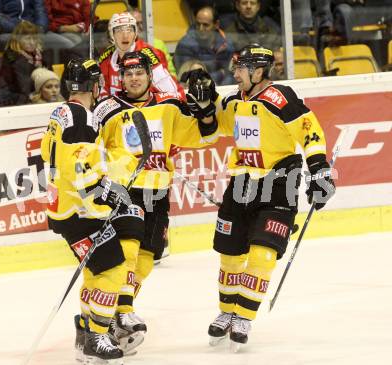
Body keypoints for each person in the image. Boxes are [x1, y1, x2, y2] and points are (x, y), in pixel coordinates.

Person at [186, 44, 335, 350]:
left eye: (240, 69)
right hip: (241, 184)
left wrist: (319, 169)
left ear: (257, 71)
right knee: (229, 255)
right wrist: (204, 108)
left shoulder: (280, 98)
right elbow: (214, 129)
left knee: (263, 254)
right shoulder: (235, 102)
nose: (235, 74)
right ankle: (227, 311)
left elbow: (310, 131)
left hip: (279, 183)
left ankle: (243, 315)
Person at [91, 50, 218, 354]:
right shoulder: (106, 108)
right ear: (120, 77)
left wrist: (206, 111)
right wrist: (99, 181)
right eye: (128, 73)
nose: (133, 78)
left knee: (147, 257)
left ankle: (121, 308)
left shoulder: (169, 106)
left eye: (139, 73)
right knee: (129, 251)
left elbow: (203, 135)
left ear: (150, 75)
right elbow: (90, 146)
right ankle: (119, 310)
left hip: (158, 190)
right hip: (126, 190)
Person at [41, 58, 139, 364]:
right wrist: (105, 194)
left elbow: (48, 151)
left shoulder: (61, 113)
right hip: (80, 212)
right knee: (112, 270)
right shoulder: (83, 117)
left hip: (65, 209)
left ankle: (85, 333)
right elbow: (79, 169)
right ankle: (97, 336)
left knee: (100, 269)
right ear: (93, 86)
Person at [98, 12, 184, 100]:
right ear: (112, 35)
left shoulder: (149, 56)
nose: (125, 36)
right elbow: (102, 94)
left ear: (135, 33)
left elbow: (174, 93)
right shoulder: (106, 59)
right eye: (119, 30)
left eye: (129, 30)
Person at [174, 5, 235, 86]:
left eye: (205, 25)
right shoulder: (185, 45)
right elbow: (189, 79)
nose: (201, 29)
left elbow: (232, 75)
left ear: (216, 24)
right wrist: (221, 73)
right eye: (198, 24)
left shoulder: (226, 43)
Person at [0, 20, 51, 105]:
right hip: (19, 101)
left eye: (34, 38)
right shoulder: (13, 58)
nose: (32, 42)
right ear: (18, 39)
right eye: (27, 39)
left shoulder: (42, 55)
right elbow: (23, 89)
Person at [129, 7, 177, 76]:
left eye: (142, 23)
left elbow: (171, 72)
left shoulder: (158, 44)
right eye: (136, 24)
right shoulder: (124, 47)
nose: (140, 27)